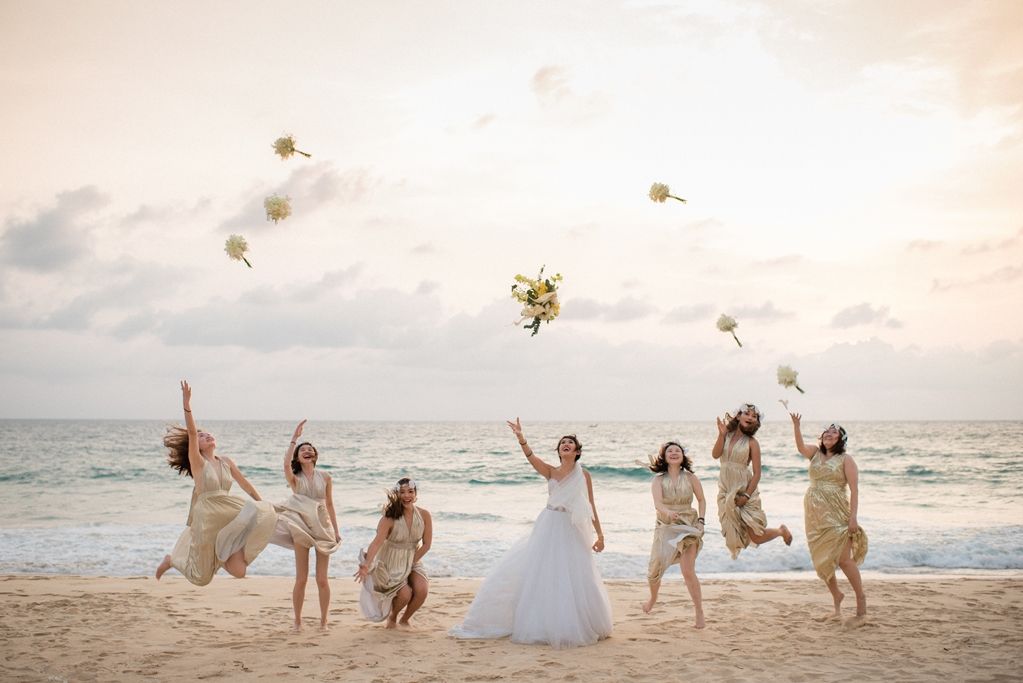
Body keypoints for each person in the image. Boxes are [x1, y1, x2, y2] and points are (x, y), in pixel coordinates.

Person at [449, 419, 613, 649]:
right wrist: (521, 438)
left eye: (570, 443)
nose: (565, 444)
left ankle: (575, 623)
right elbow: (530, 457)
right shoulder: (550, 471)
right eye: (562, 443)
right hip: (549, 524)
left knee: (575, 575)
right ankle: (543, 624)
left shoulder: (584, 475)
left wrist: (600, 535)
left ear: (577, 452)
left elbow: (591, 506)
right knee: (544, 573)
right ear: (559, 451)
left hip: (571, 529)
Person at [155, 381, 277, 585]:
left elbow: (245, 485)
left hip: (228, 511)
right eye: (202, 436)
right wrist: (187, 404)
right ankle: (171, 560)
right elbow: (192, 433)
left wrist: (261, 503)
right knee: (202, 579)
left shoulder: (226, 461)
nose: (207, 435)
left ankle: (223, 551)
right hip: (208, 517)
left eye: (208, 434)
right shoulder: (198, 463)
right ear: (197, 446)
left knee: (240, 571)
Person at [789, 413, 868, 621]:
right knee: (820, 557)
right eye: (827, 432)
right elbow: (800, 447)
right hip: (814, 515)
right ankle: (836, 596)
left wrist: (853, 517)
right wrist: (796, 426)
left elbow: (854, 490)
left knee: (844, 560)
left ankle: (860, 598)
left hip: (837, 513)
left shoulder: (846, 460)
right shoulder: (814, 453)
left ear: (841, 439)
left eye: (834, 433)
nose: (829, 434)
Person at [270, 420, 342, 631]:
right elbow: (285, 465)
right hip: (300, 526)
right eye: (303, 450)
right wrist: (294, 439)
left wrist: (336, 531)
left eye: (310, 449)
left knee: (322, 579)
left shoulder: (326, 477)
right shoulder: (295, 478)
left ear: (315, 455)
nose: (307, 451)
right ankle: (298, 621)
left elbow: (330, 504)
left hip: (323, 527)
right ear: (298, 457)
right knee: (301, 579)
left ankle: (324, 621)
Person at [712, 403, 792, 559]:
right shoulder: (726, 435)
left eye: (754, 416)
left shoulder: (752, 443)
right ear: (738, 416)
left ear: (756, 422)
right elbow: (715, 455)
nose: (750, 417)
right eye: (747, 413)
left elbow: (757, 473)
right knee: (734, 533)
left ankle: (781, 531)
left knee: (756, 536)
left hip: (745, 490)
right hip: (727, 490)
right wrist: (721, 435)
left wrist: (746, 495)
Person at [642, 441, 707, 628]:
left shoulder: (691, 478)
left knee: (688, 571)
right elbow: (658, 504)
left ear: (682, 456)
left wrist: (701, 520)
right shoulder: (658, 480)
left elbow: (701, 500)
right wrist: (668, 512)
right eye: (669, 450)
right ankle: (653, 598)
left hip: (689, 525)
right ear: (664, 457)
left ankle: (699, 611)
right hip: (666, 525)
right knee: (654, 571)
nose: (673, 452)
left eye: (677, 450)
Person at [355, 477, 432, 629]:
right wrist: (366, 564)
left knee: (422, 590)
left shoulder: (424, 515)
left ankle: (405, 619)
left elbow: (427, 544)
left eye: (410, 491)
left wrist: (411, 563)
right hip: (391, 560)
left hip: (413, 557)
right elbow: (377, 542)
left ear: (416, 494)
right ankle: (393, 616)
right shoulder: (389, 518)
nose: (406, 495)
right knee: (405, 594)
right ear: (397, 494)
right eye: (402, 492)